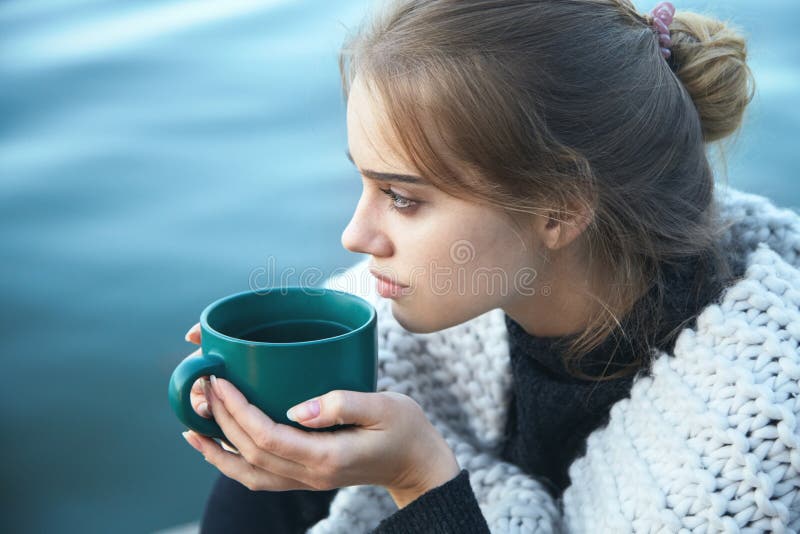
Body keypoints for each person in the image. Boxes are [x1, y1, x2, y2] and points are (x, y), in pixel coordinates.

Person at [179, 0, 800, 532]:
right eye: (363, 182)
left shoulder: (752, 439)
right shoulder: (426, 329)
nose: (354, 236)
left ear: (558, 209)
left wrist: (418, 481)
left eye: (402, 197)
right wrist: (259, 394)